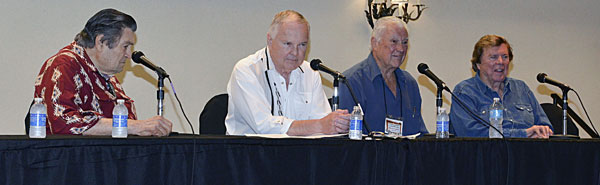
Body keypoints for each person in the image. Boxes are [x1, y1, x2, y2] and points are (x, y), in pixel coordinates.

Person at [33, 8, 172, 136]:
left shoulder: (107, 76)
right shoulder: (63, 65)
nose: (129, 55)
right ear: (101, 42)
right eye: (125, 46)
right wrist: (135, 126)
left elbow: (125, 124)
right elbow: (65, 123)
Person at [225, 10, 350, 135]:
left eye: (302, 45)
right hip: (251, 153)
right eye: (287, 44)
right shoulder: (247, 70)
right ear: (270, 40)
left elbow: (324, 126)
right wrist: (319, 125)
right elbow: (263, 126)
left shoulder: (310, 73)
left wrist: (336, 124)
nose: (295, 52)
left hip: (299, 152)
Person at [449, 34, 553, 138]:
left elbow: (546, 126)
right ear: (478, 64)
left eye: (505, 57)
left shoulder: (521, 88)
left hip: (527, 151)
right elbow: (469, 133)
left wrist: (542, 132)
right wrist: (523, 134)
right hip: (487, 152)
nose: (500, 62)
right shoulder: (465, 91)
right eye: (493, 57)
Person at [339, 16, 428, 136]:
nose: (401, 49)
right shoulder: (351, 82)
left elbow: (420, 133)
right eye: (394, 42)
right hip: (370, 154)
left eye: (405, 42)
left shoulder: (410, 83)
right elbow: (346, 141)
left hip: (407, 154)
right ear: (375, 43)